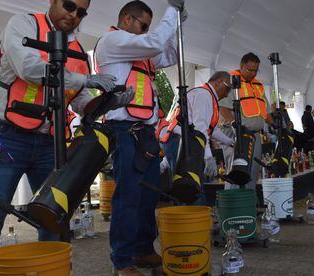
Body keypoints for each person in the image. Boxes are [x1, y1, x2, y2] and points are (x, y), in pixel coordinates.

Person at [0, 1, 134, 275]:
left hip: (49, 144)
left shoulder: (77, 52)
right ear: (53, 1)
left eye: (81, 12)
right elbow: (28, 67)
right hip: (7, 136)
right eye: (69, 6)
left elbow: (80, 102)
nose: (74, 14)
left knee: (54, 217)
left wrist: (108, 102)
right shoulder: (24, 25)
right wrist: (85, 80)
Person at [94, 1, 186, 275]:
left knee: (147, 196)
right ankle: (121, 262)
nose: (147, 31)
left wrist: (180, 22)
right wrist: (171, 11)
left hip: (145, 132)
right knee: (129, 196)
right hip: (124, 131)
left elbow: (169, 54)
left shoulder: (140, 51)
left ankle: (143, 250)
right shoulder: (113, 41)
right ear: (126, 20)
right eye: (143, 25)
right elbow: (157, 43)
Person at [159, 71, 235, 178]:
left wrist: (231, 142)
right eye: (228, 89)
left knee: (180, 183)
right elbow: (200, 130)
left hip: (176, 139)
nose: (227, 94)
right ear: (218, 82)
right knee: (190, 184)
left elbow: (212, 130)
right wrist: (208, 157)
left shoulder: (207, 95)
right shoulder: (204, 95)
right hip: (179, 141)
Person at [219, 52, 274, 189]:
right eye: (250, 70)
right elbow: (222, 107)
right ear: (241, 66)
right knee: (236, 171)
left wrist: (277, 127)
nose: (253, 73)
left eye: (256, 70)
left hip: (254, 135)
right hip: (235, 133)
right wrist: (234, 124)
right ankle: (232, 206)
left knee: (252, 173)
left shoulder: (258, 86)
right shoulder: (231, 82)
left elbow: (265, 112)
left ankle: (248, 205)